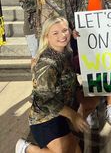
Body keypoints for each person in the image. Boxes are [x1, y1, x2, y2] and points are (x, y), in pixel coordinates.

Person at [15, 16, 89, 153]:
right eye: (55, 33)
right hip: (45, 118)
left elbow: (72, 82)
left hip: (62, 112)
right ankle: (27, 148)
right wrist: (73, 115)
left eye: (65, 30)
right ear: (47, 36)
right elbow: (45, 100)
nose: (62, 35)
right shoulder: (47, 64)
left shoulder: (66, 53)